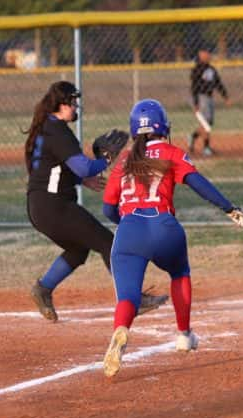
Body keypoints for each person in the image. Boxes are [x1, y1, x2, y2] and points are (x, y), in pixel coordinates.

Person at [100, 99, 243, 377]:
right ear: (162, 126)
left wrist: (130, 226)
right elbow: (198, 183)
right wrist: (229, 207)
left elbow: (108, 207)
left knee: (129, 296)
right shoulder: (171, 152)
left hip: (130, 228)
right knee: (179, 272)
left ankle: (121, 329)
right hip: (164, 226)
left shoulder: (123, 160)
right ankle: (183, 335)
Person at [24, 81, 168, 323]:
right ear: (61, 105)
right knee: (108, 243)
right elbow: (83, 166)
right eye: (72, 102)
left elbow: (52, 169)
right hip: (54, 207)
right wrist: (105, 159)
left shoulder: (46, 128)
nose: (76, 107)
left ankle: (43, 289)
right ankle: (133, 299)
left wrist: (82, 181)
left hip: (41, 207)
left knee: (78, 249)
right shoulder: (57, 130)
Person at [189, 48, 231, 156]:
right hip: (201, 97)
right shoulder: (197, 69)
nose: (208, 55)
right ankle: (206, 148)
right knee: (206, 123)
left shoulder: (211, 69)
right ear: (200, 55)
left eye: (208, 53)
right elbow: (194, 87)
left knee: (209, 123)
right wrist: (196, 103)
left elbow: (218, 83)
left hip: (210, 98)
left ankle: (193, 136)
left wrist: (225, 96)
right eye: (205, 53)